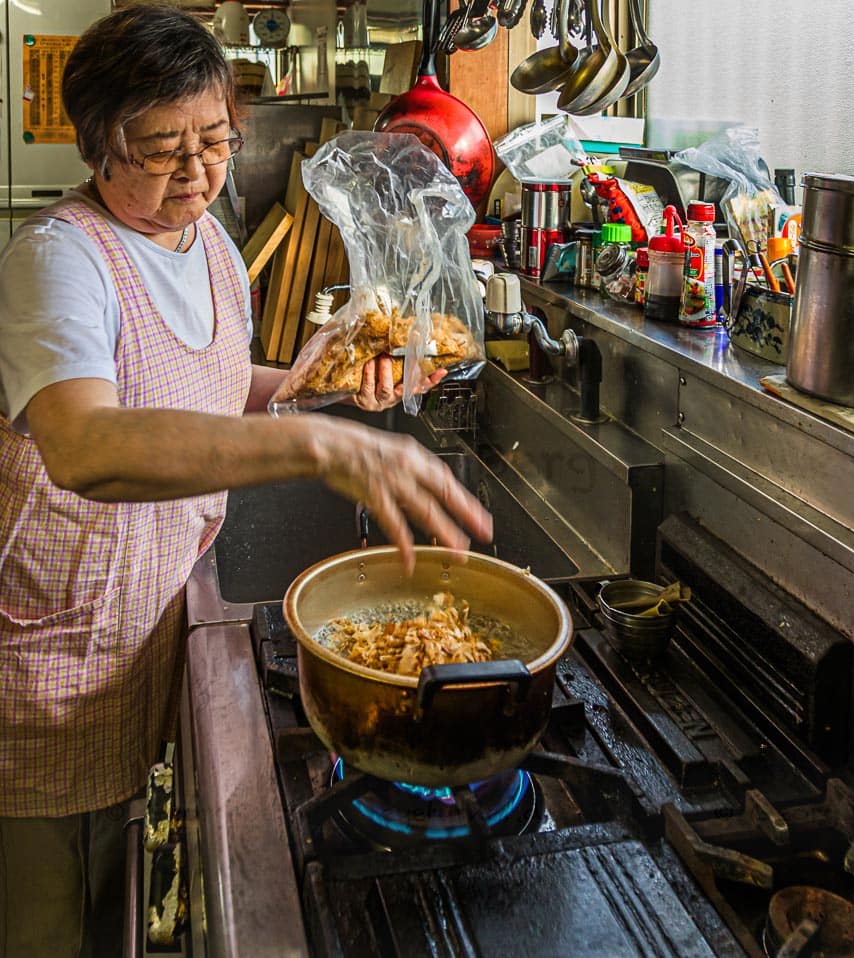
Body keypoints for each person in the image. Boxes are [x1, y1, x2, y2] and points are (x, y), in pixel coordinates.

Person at [0, 5, 492, 955]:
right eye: (161, 148)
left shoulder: (213, 245)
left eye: (217, 139)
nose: (198, 171)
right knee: (48, 927)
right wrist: (320, 450)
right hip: (48, 664)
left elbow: (218, 390)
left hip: (147, 633)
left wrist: (321, 386)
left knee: (118, 913)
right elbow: (85, 445)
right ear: (99, 143)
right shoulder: (57, 262)